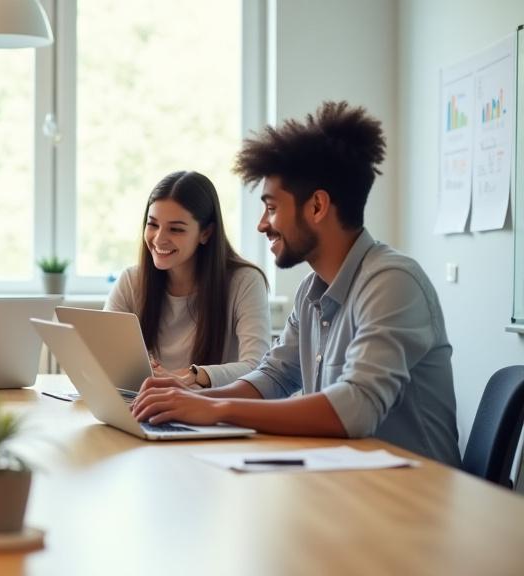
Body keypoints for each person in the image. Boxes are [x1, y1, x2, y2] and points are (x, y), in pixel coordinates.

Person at [131, 101, 461, 467]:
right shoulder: (311, 291)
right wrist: (193, 399)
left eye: (271, 207)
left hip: (414, 496)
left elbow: (355, 410)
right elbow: (273, 377)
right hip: (345, 479)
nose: (261, 224)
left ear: (317, 207)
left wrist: (216, 407)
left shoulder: (392, 282)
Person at [105, 170, 270, 389]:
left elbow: (257, 368)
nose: (159, 239)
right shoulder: (131, 281)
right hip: (144, 408)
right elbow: (101, 355)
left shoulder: (245, 281)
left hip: (212, 415)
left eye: (176, 229)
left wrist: (192, 375)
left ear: (206, 233)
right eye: (152, 224)